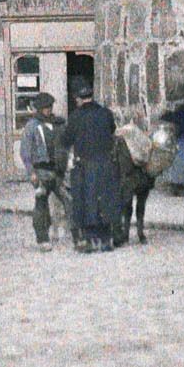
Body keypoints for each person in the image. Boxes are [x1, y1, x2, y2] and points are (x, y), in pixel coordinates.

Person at [60, 79, 121, 253]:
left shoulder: (75, 117)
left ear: (77, 98)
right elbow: (112, 130)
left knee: (85, 202)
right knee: (106, 201)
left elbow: (65, 140)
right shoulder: (106, 113)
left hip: (85, 166)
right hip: (106, 165)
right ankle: (106, 240)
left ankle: (89, 240)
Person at [18, 92, 69, 248]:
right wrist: (31, 172)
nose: (48, 110)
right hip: (40, 171)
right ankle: (43, 239)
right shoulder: (32, 126)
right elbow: (25, 152)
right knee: (41, 205)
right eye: (45, 108)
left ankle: (77, 235)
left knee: (69, 201)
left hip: (57, 172)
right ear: (38, 109)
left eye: (49, 107)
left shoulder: (58, 124)